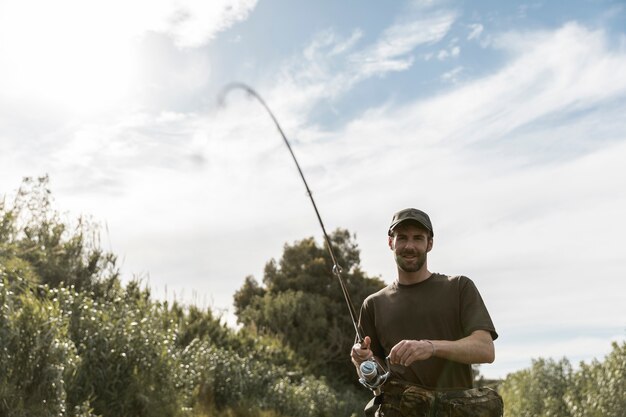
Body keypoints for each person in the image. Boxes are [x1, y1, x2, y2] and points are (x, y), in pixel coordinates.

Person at [350, 208, 501, 417]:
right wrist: (361, 360)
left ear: (429, 243)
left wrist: (430, 347)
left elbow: (485, 350)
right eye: (402, 238)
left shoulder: (459, 287)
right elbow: (374, 374)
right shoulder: (373, 304)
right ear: (390, 242)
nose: (409, 246)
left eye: (418, 238)